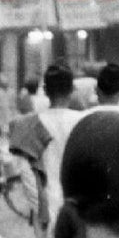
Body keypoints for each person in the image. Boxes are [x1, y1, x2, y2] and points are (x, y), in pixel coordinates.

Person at [36, 64, 90, 228]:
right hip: (78, 202)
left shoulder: (33, 123)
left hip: (45, 202)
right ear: (72, 89)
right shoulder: (84, 121)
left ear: (45, 90)